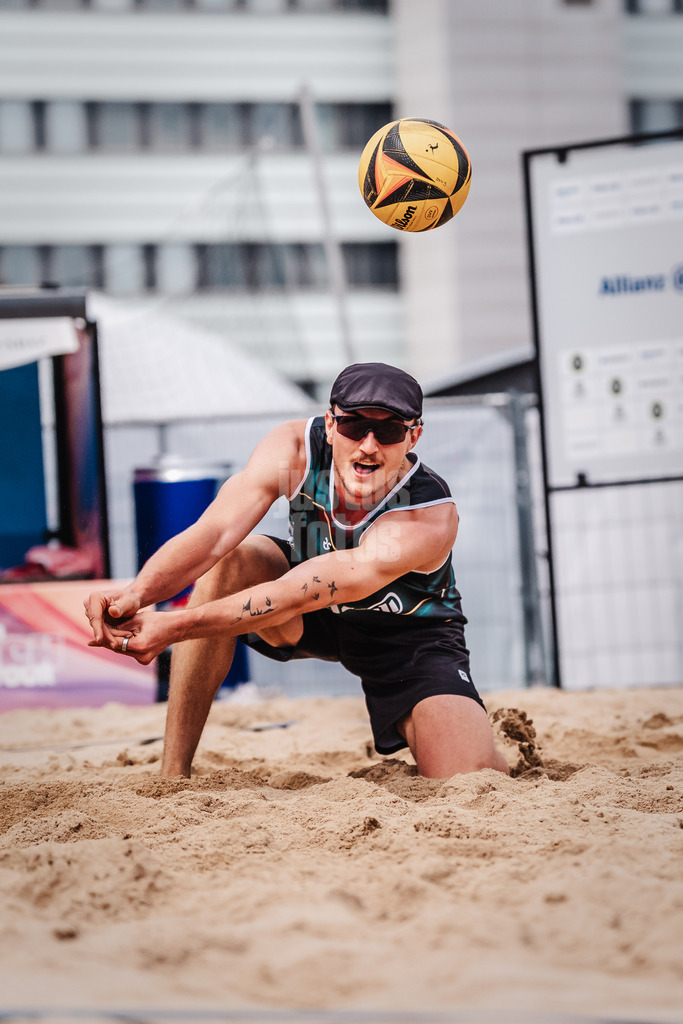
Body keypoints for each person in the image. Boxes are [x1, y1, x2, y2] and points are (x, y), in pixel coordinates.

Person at [85, 362, 509, 780]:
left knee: (466, 776)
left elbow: (300, 592)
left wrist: (173, 627)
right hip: (307, 614)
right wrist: (136, 595)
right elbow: (213, 534)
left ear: (413, 435)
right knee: (234, 559)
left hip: (405, 636)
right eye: (353, 425)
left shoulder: (427, 514)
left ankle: (458, 734)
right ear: (329, 423)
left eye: (390, 431)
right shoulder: (294, 450)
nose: (368, 444)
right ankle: (172, 773)